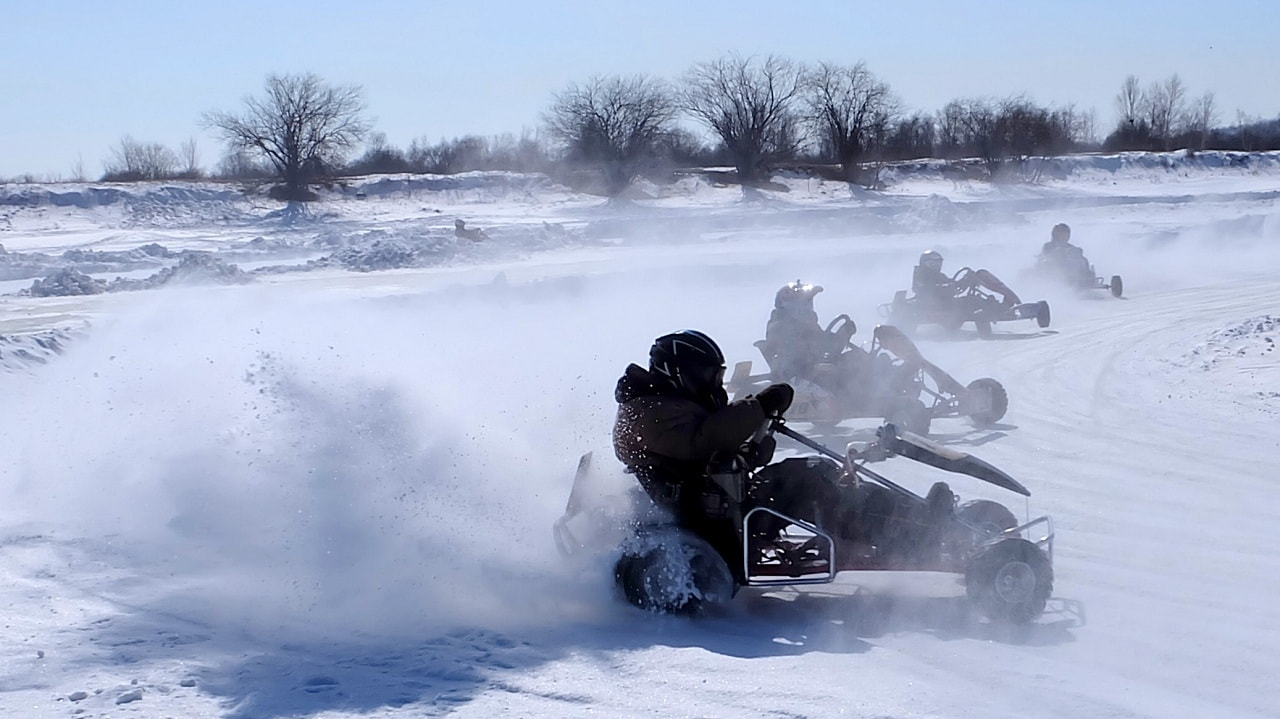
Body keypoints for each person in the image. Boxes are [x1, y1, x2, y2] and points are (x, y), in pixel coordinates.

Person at [612, 330, 946, 563]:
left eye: (716, 376)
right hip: (714, 516)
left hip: (720, 502)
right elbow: (704, 441)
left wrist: (754, 446)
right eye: (707, 375)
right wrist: (760, 405)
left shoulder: (666, 403)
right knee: (811, 481)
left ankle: (914, 520)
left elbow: (707, 450)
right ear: (678, 372)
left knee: (817, 474)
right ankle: (909, 534)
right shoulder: (649, 410)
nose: (713, 384)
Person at [912, 249, 1021, 308]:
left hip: (947, 303)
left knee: (979, 275)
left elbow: (950, 284)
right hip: (934, 307)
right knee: (973, 301)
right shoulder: (921, 275)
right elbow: (929, 290)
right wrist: (955, 285)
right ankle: (998, 309)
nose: (936, 266)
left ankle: (1008, 299)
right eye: (932, 264)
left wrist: (966, 279)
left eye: (938, 263)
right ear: (924, 264)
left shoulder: (939, 275)